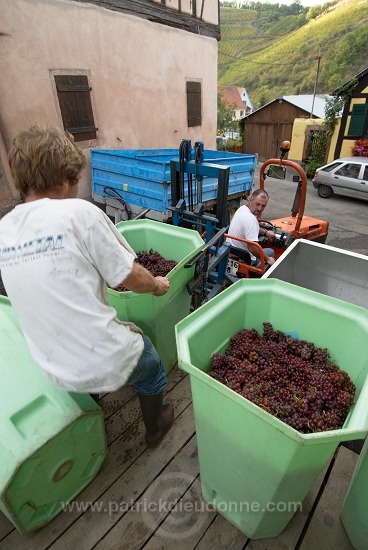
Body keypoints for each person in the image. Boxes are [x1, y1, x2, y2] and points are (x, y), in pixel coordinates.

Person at [0, 124, 174, 446]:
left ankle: (92, 399)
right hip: (100, 360)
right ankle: (155, 428)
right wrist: (156, 285)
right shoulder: (78, 214)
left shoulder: (4, 230)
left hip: (51, 366)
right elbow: (130, 277)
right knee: (149, 363)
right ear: (65, 179)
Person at [226, 189, 276, 268]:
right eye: (258, 204)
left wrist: (266, 233)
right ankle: (258, 275)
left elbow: (251, 227)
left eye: (263, 206)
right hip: (245, 258)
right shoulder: (250, 219)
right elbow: (253, 248)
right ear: (250, 200)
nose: (260, 208)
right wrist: (268, 259)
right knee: (270, 251)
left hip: (231, 251)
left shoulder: (242, 209)